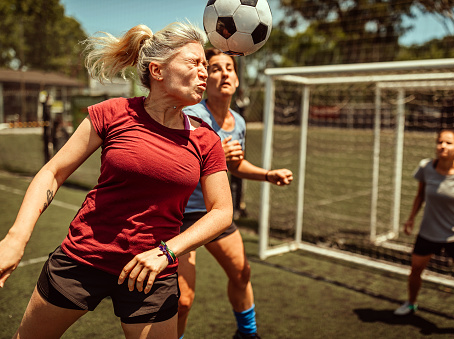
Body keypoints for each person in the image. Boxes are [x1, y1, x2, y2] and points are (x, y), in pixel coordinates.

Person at [0, 22, 233, 339]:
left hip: (153, 274)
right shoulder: (113, 113)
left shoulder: (206, 140)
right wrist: (16, 239)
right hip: (83, 259)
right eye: (194, 62)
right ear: (157, 70)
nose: (204, 72)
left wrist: (167, 251)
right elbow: (52, 172)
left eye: (205, 64)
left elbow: (222, 211)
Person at [178, 48, 293, 339]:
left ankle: (247, 334)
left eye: (229, 67)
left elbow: (236, 165)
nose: (224, 73)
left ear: (238, 79)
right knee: (182, 300)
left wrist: (268, 174)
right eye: (215, 68)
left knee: (242, 274)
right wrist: (214, 152)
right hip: (180, 214)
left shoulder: (238, 122)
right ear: (205, 79)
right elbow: (175, 163)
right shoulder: (191, 115)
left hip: (216, 212)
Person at [394, 129, 454, 339]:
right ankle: (411, 304)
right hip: (428, 232)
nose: (442, 146)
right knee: (416, 270)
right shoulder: (426, 167)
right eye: (439, 142)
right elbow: (420, 195)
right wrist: (410, 218)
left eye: (448, 143)